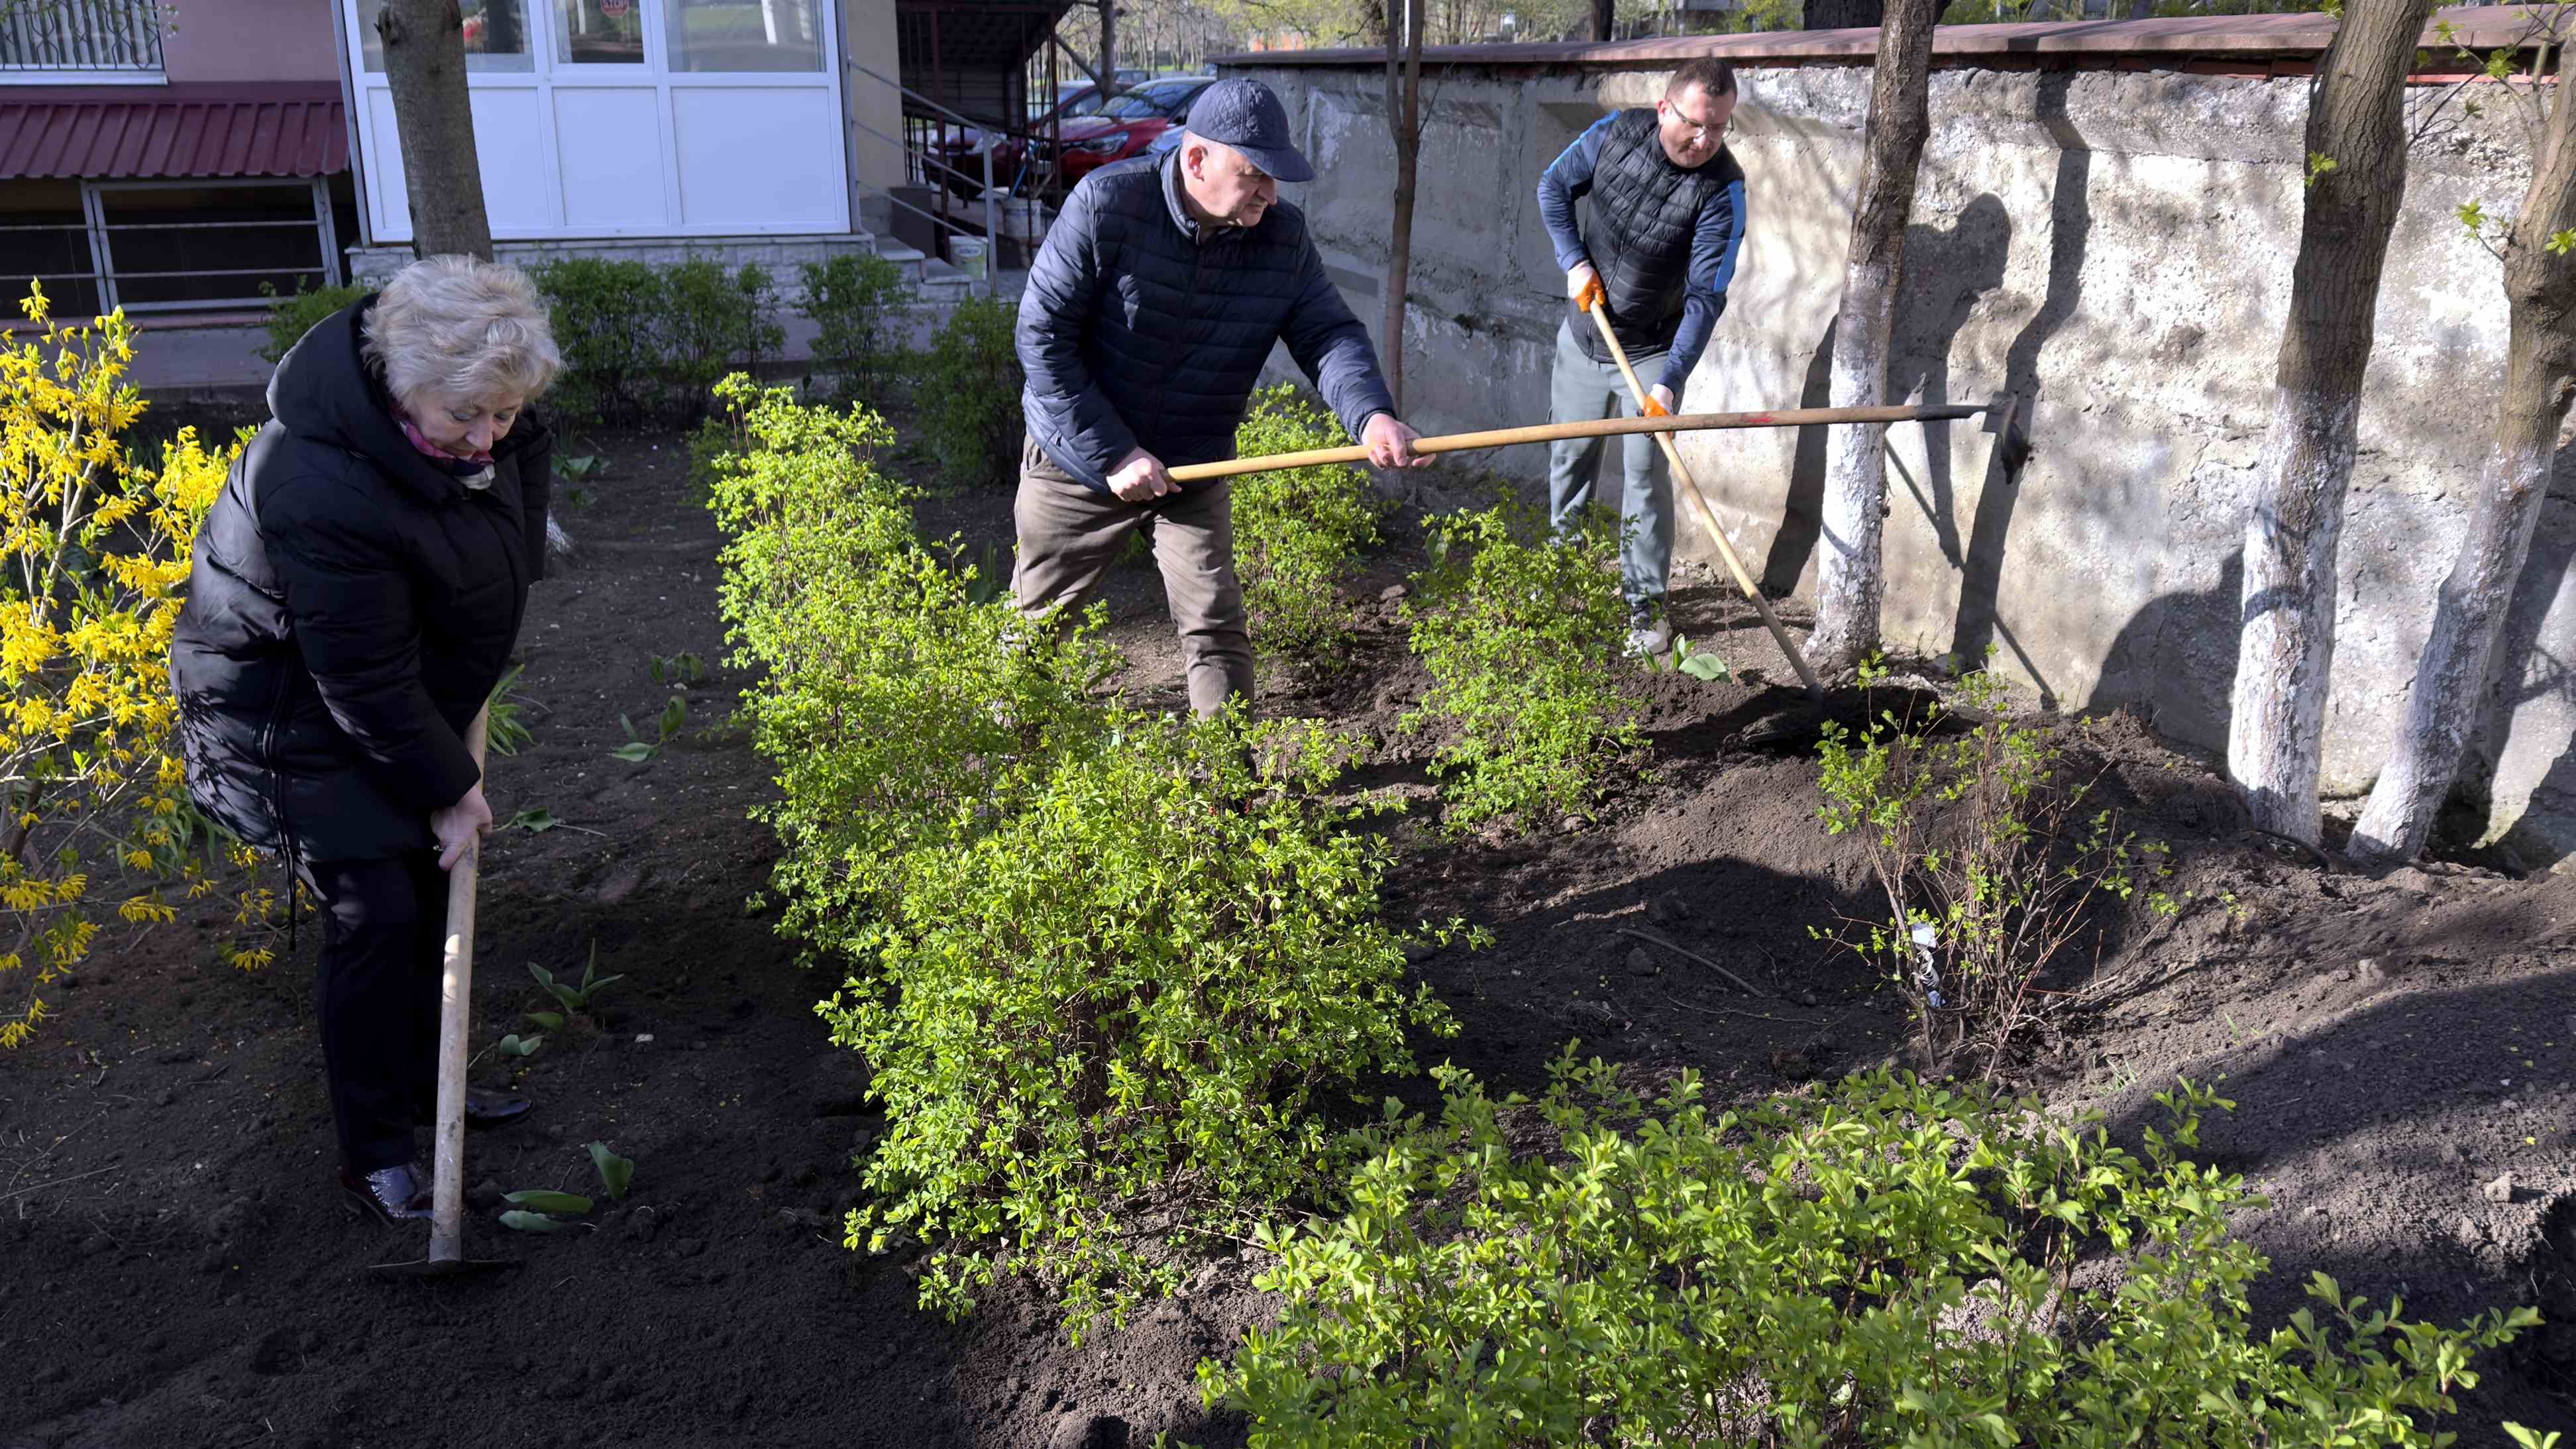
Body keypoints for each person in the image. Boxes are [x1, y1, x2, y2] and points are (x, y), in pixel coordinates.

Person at [170, 256, 560, 1225]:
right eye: (466, 417)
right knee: (377, 914)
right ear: (400, 383)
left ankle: (434, 1087)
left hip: (386, 687)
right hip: (283, 719)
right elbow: (360, 679)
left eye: (503, 413)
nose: (488, 438)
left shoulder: (485, 417)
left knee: (430, 891)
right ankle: (376, 1148)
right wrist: (450, 783)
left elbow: (513, 490)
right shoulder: (318, 483)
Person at [1015, 76, 1431, 717]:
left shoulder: (1281, 238)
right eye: (1254, 173)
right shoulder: (1106, 204)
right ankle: (1001, 777)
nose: (1270, 191)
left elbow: (1327, 333)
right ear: (1195, 159)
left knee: (1214, 623)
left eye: (1277, 176)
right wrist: (1115, 453)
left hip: (1194, 461)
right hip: (1078, 460)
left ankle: (1230, 796)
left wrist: (1370, 414)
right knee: (1035, 629)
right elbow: (1042, 338)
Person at [1536, 58, 1749, 657]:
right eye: (1696, 124)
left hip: (1653, 350)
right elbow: (1553, 186)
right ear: (1665, 109)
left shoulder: (1722, 189)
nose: (1705, 140)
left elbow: (1707, 298)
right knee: (1569, 460)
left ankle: (1645, 609)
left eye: (1720, 128)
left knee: (1645, 479)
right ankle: (1560, 584)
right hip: (1583, 338)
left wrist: (1670, 384)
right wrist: (1574, 261)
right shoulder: (1614, 134)